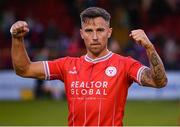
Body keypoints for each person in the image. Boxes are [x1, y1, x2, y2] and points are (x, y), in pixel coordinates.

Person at [10, 7, 167, 126]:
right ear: (81, 33)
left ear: (109, 32)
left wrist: (149, 47)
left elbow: (159, 81)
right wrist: (17, 39)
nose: (94, 36)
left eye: (100, 30)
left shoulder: (125, 64)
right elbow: (24, 69)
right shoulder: (67, 65)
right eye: (89, 30)